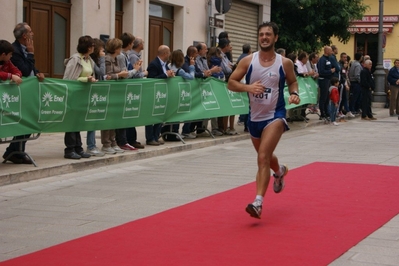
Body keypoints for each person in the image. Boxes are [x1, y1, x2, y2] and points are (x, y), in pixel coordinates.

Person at [227, 22, 300, 219]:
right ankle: (280, 171)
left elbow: (293, 81)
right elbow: (231, 83)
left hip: (275, 115)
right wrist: (248, 88)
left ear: (276, 38)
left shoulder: (284, 63)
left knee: (262, 157)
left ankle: (258, 202)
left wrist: (294, 94)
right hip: (254, 118)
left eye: (268, 34)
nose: (264, 38)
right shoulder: (248, 61)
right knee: (265, 156)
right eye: (261, 35)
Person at [3, 23, 45, 164]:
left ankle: (16, 151)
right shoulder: (13, 50)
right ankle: (15, 151)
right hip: (17, 93)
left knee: (29, 120)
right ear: (25, 36)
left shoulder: (22, 49)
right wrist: (31, 53)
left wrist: (38, 72)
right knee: (24, 121)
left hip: (28, 91)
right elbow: (25, 71)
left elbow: (28, 68)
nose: (33, 34)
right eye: (31, 32)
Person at [62, 35, 97, 159]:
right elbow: (69, 78)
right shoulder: (75, 59)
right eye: (92, 45)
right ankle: (69, 149)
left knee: (78, 122)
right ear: (88, 47)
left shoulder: (89, 60)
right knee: (72, 122)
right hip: (74, 94)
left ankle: (78, 147)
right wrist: (85, 79)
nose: (94, 48)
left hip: (83, 95)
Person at [114, 32, 141, 151]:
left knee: (125, 116)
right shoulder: (121, 56)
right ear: (129, 44)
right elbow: (125, 74)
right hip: (121, 89)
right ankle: (121, 141)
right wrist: (136, 70)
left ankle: (123, 140)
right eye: (132, 42)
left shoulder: (125, 55)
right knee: (120, 117)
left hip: (125, 89)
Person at [101, 38, 128, 154]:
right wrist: (119, 75)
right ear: (116, 49)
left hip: (117, 91)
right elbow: (107, 76)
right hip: (108, 91)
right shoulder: (107, 59)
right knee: (108, 118)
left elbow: (121, 72)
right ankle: (106, 143)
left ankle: (113, 141)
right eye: (120, 47)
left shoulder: (117, 59)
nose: (121, 50)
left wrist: (123, 74)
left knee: (114, 118)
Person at [146, 45, 175, 145]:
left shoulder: (165, 64)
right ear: (165, 53)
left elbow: (165, 74)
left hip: (163, 94)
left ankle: (156, 136)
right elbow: (152, 79)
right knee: (151, 117)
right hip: (154, 94)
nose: (170, 54)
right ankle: (150, 138)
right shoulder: (154, 64)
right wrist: (166, 75)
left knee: (160, 116)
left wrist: (170, 74)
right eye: (169, 52)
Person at [126, 36, 147, 148]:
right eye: (142, 42)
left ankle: (131, 138)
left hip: (135, 89)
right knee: (130, 114)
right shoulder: (133, 56)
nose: (144, 43)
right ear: (139, 45)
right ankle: (130, 139)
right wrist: (144, 73)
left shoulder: (136, 55)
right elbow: (135, 73)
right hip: (132, 89)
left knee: (133, 114)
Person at [86, 38, 106, 157]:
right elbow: (101, 72)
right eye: (102, 48)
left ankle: (92, 144)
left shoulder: (94, 60)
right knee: (91, 119)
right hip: (92, 92)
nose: (103, 50)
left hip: (98, 92)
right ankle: (91, 145)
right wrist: (102, 59)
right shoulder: (93, 60)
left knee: (95, 119)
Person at [317, 46, 336, 120]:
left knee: (327, 97)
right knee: (323, 97)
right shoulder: (322, 60)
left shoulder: (329, 59)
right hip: (323, 80)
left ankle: (327, 111)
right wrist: (330, 71)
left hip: (328, 80)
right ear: (326, 51)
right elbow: (321, 71)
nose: (331, 52)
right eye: (330, 51)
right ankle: (322, 113)